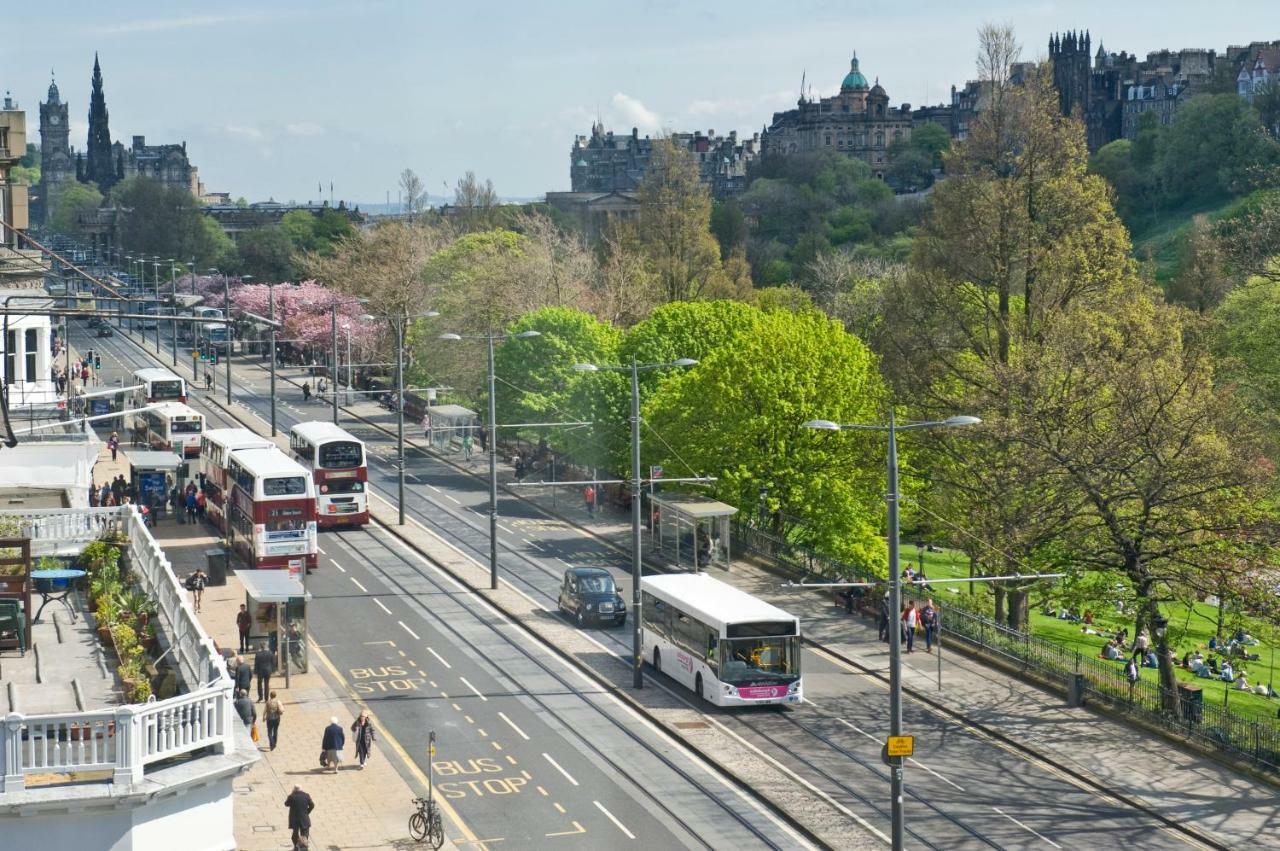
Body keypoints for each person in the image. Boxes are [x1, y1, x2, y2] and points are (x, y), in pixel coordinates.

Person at [284, 786, 314, 851]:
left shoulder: (291, 796)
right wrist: (307, 812)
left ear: (294, 790)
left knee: (295, 834)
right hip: (304, 819)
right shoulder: (306, 795)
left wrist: (292, 794)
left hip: (295, 820)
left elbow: (286, 804)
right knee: (305, 835)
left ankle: (296, 847)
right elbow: (312, 805)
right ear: (301, 790)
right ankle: (305, 848)